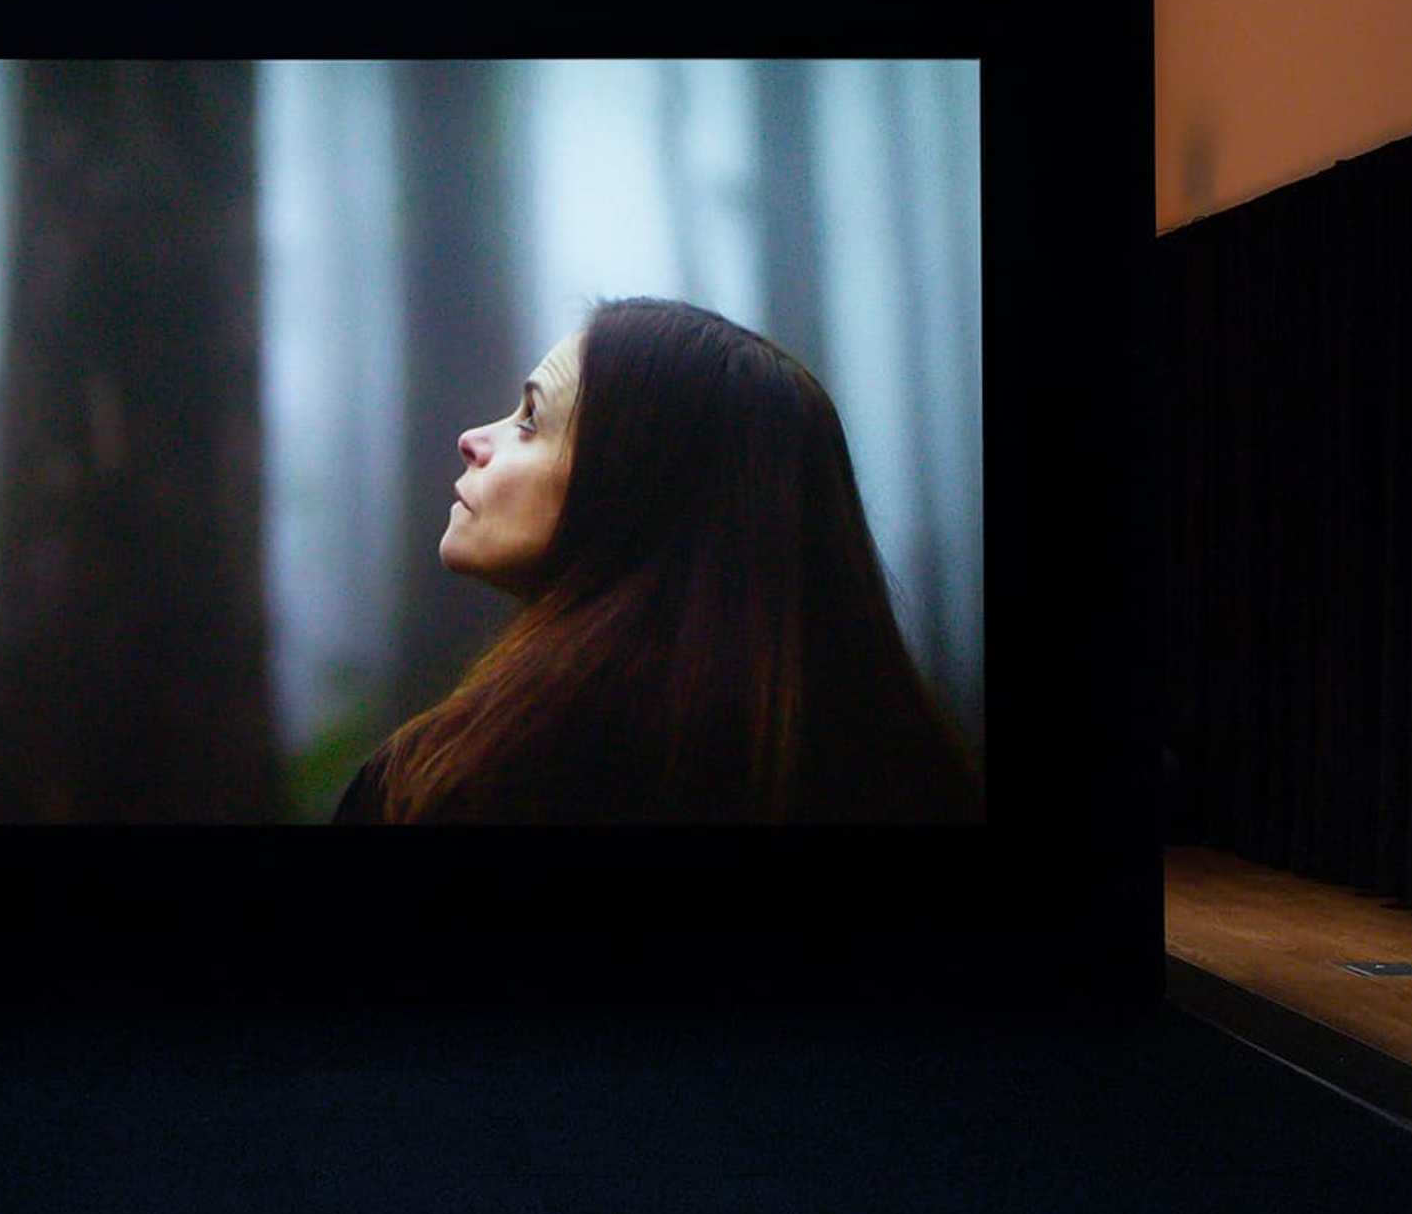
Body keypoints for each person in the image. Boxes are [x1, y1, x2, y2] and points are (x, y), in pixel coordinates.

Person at [332, 297, 979, 825]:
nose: (473, 440)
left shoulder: (445, 789)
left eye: (531, 420)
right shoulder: (910, 784)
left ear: (636, 487)